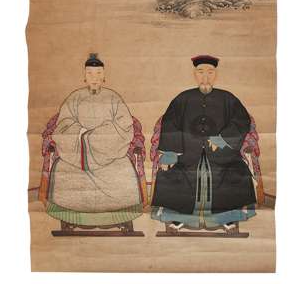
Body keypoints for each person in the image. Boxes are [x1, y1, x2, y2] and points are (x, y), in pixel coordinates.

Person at [151, 55, 256, 232]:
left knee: (234, 172)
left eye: (210, 72)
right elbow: (170, 123)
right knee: (173, 174)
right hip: (186, 152)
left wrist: (223, 139)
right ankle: (179, 218)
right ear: (194, 74)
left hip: (222, 154)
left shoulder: (227, 98)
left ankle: (226, 218)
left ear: (216, 74)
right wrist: (170, 152)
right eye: (200, 72)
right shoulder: (182, 99)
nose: (205, 77)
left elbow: (242, 120)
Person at [46, 53, 143, 227]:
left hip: (110, 155)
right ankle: (70, 218)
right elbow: (63, 126)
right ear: (84, 76)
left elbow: (124, 126)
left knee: (124, 170)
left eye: (98, 73)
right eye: (90, 73)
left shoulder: (113, 98)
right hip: (76, 156)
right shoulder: (74, 98)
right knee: (62, 170)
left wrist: (95, 137)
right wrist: (83, 135)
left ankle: (120, 218)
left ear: (104, 76)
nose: (94, 78)